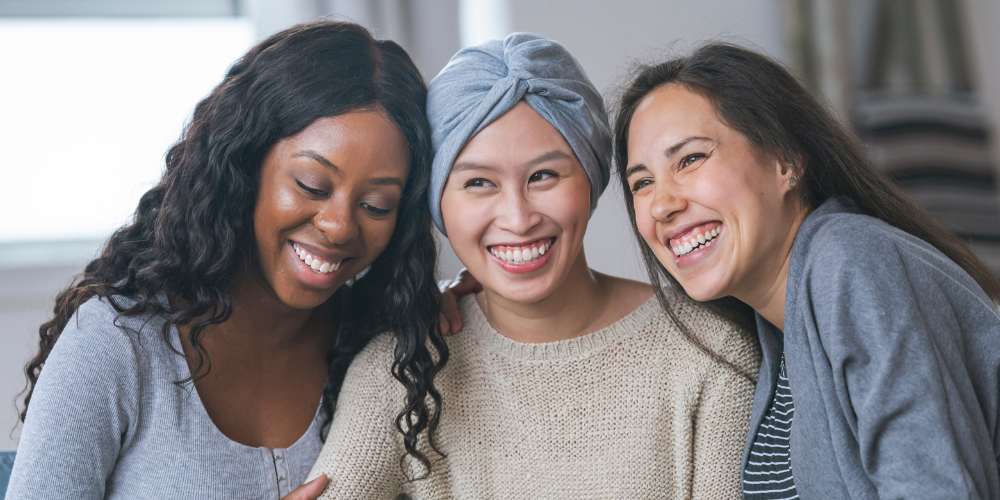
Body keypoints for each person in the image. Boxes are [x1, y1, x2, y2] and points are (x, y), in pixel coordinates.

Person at [7, 22, 461, 500]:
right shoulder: (117, 345)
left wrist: (479, 302)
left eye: (375, 206)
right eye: (310, 185)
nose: (340, 226)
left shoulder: (387, 351)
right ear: (245, 165)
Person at [307, 33, 760, 499]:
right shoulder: (401, 368)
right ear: (437, 204)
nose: (518, 219)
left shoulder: (710, 350)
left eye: (543, 175)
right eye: (479, 182)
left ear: (590, 178)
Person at [615, 42, 1000, 499]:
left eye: (691, 159)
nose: (661, 204)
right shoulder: (777, 331)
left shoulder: (850, 260)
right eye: (642, 183)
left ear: (786, 161)